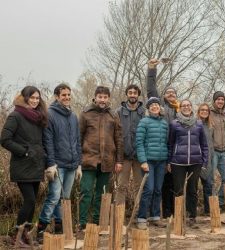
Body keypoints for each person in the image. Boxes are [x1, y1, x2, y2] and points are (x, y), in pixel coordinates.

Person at [0, 86, 48, 247]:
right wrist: (24, 152)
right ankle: (16, 235)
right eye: (31, 98)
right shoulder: (16, 115)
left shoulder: (38, 117)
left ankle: (25, 235)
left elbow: (39, 142)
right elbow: (5, 139)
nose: (35, 101)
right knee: (29, 200)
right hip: (22, 165)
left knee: (33, 203)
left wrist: (45, 160)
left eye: (37, 98)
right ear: (25, 98)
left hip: (36, 165)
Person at [37, 84, 82, 242]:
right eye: (64, 95)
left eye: (69, 95)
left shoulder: (73, 116)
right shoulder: (50, 114)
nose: (67, 97)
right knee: (54, 196)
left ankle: (59, 228)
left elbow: (77, 142)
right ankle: (40, 230)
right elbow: (47, 142)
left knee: (64, 198)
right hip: (57, 164)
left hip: (71, 164)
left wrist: (79, 164)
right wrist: (51, 164)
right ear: (57, 96)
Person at [79, 86, 123, 229]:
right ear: (95, 97)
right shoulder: (86, 114)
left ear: (108, 98)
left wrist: (119, 160)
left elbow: (119, 138)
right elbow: (78, 137)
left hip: (107, 161)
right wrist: (77, 159)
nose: (102, 100)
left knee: (102, 193)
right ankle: (82, 222)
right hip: (88, 159)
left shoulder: (113, 115)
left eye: (105, 97)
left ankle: (97, 222)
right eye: (100, 97)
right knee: (86, 192)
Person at [168, 100, 208, 228]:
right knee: (178, 190)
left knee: (192, 190)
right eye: (183, 105)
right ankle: (179, 216)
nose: (186, 107)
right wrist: (169, 161)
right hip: (178, 162)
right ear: (180, 108)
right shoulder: (174, 124)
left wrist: (204, 161)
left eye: (188, 105)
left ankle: (192, 217)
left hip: (195, 162)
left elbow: (204, 144)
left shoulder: (199, 124)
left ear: (191, 107)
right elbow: (170, 143)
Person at [147, 58, 179, 218]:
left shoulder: (181, 110)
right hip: (162, 148)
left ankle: (175, 212)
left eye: (173, 93)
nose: (171, 94)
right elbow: (151, 89)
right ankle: (163, 213)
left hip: (177, 150)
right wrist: (152, 68)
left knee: (174, 182)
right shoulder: (161, 107)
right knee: (162, 183)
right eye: (168, 93)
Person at [135, 97, 169, 229]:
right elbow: (139, 143)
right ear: (148, 109)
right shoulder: (144, 122)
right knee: (148, 189)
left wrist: (166, 160)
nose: (155, 107)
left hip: (161, 161)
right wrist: (143, 161)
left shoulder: (164, 123)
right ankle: (141, 218)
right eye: (152, 105)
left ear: (160, 107)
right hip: (148, 161)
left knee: (158, 189)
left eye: (157, 105)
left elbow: (166, 143)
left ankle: (155, 217)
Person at [115, 84, 145, 206]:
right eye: (130, 92)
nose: (132, 95)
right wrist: (118, 157)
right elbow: (115, 134)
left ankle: (139, 215)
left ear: (138, 95)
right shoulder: (118, 111)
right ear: (127, 94)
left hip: (140, 156)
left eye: (135, 92)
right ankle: (119, 216)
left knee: (140, 187)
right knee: (121, 186)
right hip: (124, 156)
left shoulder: (144, 112)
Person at [209, 91, 225, 209]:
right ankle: (212, 205)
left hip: (224, 152)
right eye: (218, 99)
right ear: (214, 101)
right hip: (213, 151)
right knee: (211, 179)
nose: (220, 101)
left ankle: (220, 201)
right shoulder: (209, 114)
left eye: (222, 99)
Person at [197, 103, 214, 215]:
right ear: (198, 112)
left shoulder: (210, 126)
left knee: (208, 185)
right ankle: (191, 212)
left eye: (206, 110)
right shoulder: (194, 124)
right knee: (192, 188)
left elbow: (210, 144)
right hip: (195, 159)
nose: (204, 111)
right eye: (202, 110)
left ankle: (208, 211)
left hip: (207, 159)